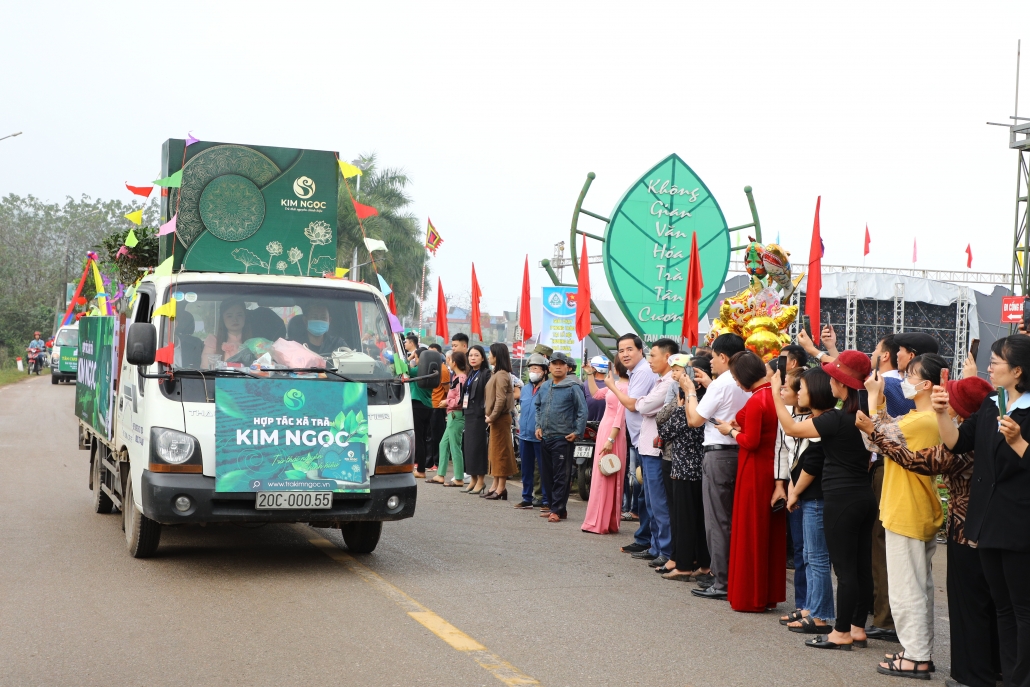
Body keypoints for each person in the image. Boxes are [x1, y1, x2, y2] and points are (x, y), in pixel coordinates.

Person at [859, 375, 1000, 686]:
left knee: (919, 592)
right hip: (975, 525)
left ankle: (921, 657)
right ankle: (986, 667)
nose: (945, 404)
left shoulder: (957, 437)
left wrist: (873, 425)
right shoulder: (987, 434)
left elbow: (910, 457)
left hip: (949, 524)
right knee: (985, 604)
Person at [935, 335, 1030, 687]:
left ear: (1017, 370)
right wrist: (942, 412)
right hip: (986, 521)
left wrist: (1019, 441)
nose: (989, 367)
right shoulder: (993, 403)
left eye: (996, 361)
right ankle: (1006, 674)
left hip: (1019, 524)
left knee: (1023, 610)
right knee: (1002, 607)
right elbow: (957, 444)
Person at [773, 349, 873, 650]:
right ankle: (856, 628)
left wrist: (775, 395)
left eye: (833, 378)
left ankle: (841, 632)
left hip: (841, 499)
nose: (829, 383)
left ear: (841, 385)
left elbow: (791, 428)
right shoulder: (862, 415)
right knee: (860, 567)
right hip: (864, 496)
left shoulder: (836, 419)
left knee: (844, 570)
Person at [864, 353, 947, 678]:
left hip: (907, 509)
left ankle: (916, 655)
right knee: (918, 588)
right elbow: (885, 431)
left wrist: (874, 399)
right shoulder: (925, 418)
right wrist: (879, 402)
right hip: (914, 509)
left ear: (927, 383)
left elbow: (878, 438)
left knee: (907, 589)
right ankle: (918, 651)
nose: (905, 380)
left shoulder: (923, 420)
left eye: (910, 375)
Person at [712, 351, 787, 612]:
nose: (734, 381)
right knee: (767, 534)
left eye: (734, 376)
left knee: (750, 532)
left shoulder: (757, 400)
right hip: (771, 468)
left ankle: (750, 595)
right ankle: (766, 593)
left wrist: (730, 431)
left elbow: (751, 441)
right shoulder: (770, 395)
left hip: (754, 470)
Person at [683, 333, 751, 600]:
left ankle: (721, 581)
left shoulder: (721, 384)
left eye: (712, 356)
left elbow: (695, 420)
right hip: (740, 452)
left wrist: (690, 392)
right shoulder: (742, 379)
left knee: (718, 521)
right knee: (733, 520)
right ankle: (731, 578)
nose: (710, 361)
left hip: (719, 454)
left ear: (723, 357)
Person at [606, 338, 677, 569]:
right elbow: (642, 404)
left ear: (667, 357)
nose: (650, 360)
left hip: (655, 450)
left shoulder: (667, 383)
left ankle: (665, 550)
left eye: (652, 355)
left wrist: (619, 389)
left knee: (658, 503)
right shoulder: (658, 379)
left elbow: (641, 406)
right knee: (651, 502)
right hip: (646, 446)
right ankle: (657, 547)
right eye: (621, 350)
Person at [783, 367, 836, 635]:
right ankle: (812, 609)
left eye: (801, 388)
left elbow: (812, 464)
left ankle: (820, 615)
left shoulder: (824, 422)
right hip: (810, 496)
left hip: (818, 497)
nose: (797, 392)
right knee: (809, 555)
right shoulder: (818, 419)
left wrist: (773, 396)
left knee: (817, 558)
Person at [658, 354, 711, 581]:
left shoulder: (693, 401)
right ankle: (704, 564)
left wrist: (679, 407)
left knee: (685, 519)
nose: (680, 376)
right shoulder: (706, 397)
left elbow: (666, 431)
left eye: (687, 372)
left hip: (685, 468)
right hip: (698, 467)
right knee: (698, 519)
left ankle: (685, 565)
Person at [609, 334, 659, 556]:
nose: (625, 354)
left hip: (648, 440)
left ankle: (648, 541)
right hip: (640, 439)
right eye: (621, 351)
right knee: (643, 491)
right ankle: (645, 539)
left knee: (648, 494)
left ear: (641, 350)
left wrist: (612, 386)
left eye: (629, 349)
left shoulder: (642, 372)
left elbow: (632, 405)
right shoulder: (635, 372)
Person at [534, 351, 587, 522]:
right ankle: (556, 508)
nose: (557, 367)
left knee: (561, 476)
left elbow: (582, 411)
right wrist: (538, 426)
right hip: (546, 437)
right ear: (549, 367)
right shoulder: (544, 386)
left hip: (563, 438)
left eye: (561, 364)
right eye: (554, 364)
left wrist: (578, 431)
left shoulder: (573, 386)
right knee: (547, 475)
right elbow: (538, 407)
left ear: (567, 367)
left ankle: (556, 509)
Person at [581, 357, 630, 534]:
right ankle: (599, 520)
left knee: (607, 475)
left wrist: (611, 440)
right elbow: (596, 394)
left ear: (617, 369)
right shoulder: (615, 384)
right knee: (600, 474)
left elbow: (620, 416)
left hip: (613, 433)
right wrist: (590, 375)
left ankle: (601, 521)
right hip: (605, 429)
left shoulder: (625, 388)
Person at [777, 368, 809, 617]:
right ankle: (802, 605)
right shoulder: (787, 415)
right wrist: (782, 484)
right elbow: (783, 451)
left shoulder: (817, 419)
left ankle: (815, 607)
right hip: (792, 486)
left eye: (786, 387)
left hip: (811, 490)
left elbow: (812, 460)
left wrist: (796, 490)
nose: (781, 391)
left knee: (814, 554)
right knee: (799, 549)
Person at [514, 354, 550, 510]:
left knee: (544, 470)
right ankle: (526, 497)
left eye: (535, 368)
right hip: (524, 436)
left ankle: (547, 500)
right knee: (526, 470)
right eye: (530, 369)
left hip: (541, 436)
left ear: (544, 371)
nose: (532, 372)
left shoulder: (549, 388)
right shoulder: (526, 389)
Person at [483, 343, 517, 500]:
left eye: (490, 353)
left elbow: (501, 399)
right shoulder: (496, 373)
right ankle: (495, 485)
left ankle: (501, 487)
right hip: (496, 419)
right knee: (495, 453)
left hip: (500, 419)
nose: (488, 356)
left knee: (501, 453)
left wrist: (492, 416)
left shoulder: (502, 374)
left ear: (496, 356)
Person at [461, 345, 492, 495]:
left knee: (478, 448)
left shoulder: (486, 374)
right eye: (470, 355)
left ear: (482, 358)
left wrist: (487, 412)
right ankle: (472, 479)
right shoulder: (470, 373)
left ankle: (481, 480)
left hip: (480, 416)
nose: (473, 358)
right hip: (468, 414)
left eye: (476, 355)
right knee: (469, 448)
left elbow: (489, 396)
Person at [434, 351, 467, 487]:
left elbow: (459, 400)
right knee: (444, 444)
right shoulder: (456, 377)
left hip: (456, 415)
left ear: (454, 363)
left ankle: (459, 478)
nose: (447, 361)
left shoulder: (461, 379)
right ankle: (440, 475)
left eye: (449, 359)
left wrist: (447, 402)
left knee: (455, 446)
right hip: (452, 415)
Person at [405, 332, 435, 479]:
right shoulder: (430, 371)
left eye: (416, 357)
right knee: (423, 439)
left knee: (419, 440)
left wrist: (410, 357)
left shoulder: (418, 370)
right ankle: (421, 468)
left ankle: (421, 470)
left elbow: (403, 369)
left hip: (417, 406)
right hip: (428, 406)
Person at [426, 342, 451, 478]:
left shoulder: (444, 370)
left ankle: (436, 462)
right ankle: (430, 462)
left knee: (437, 437)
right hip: (430, 405)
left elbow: (448, 391)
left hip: (438, 406)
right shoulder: (430, 368)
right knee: (429, 436)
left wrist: (447, 404)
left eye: (433, 352)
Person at [202, 298, 252, 367]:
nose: (235, 319)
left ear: (245, 317)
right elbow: (206, 368)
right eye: (229, 316)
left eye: (239, 315)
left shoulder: (255, 343)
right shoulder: (213, 342)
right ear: (222, 319)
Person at [581, 356, 608, 422]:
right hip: (607, 427)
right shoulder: (612, 386)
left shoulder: (585, 385)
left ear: (593, 368)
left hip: (588, 428)